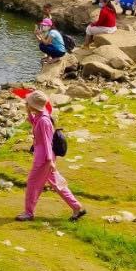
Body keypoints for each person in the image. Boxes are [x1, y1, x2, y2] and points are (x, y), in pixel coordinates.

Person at [16, 91, 85, 222]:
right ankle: (77, 207)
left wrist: (49, 161)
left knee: (32, 184)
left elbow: (48, 142)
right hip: (45, 158)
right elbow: (33, 122)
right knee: (57, 183)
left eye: (29, 103)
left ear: (34, 105)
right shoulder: (41, 116)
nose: (27, 104)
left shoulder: (44, 121)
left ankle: (28, 213)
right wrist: (28, 111)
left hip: (43, 159)